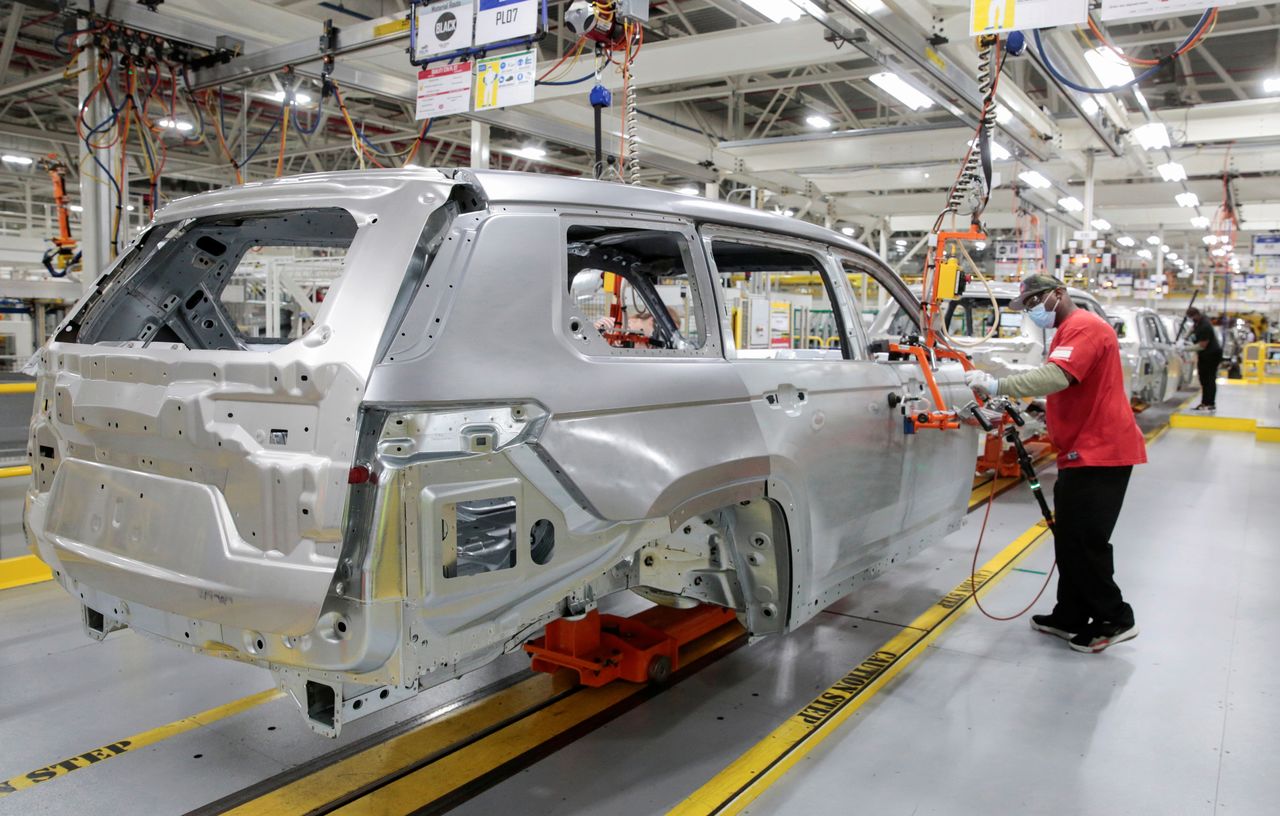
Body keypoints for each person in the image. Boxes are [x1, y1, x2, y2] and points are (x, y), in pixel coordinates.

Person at [964, 274, 1146, 654]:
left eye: (1036, 301)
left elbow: (1057, 376)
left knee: (1084, 541)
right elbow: (1073, 390)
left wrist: (998, 385)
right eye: (1026, 304)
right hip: (1081, 450)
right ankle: (1071, 615)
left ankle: (1115, 618)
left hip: (1101, 452)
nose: (1032, 309)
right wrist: (1032, 409)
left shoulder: (1084, 327)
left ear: (1058, 294)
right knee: (1069, 537)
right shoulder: (1066, 331)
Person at [1184, 307, 1222, 412]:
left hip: (1211, 354)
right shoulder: (1200, 321)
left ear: (1195, 315)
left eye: (1191, 317)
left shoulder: (1205, 326)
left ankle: (1210, 404)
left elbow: (1202, 345)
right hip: (1206, 354)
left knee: (1208, 379)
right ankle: (1205, 403)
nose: (1191, 320)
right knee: (1203, 379)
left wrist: (1185, 348)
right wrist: (1185, 337)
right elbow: (1193, 328)